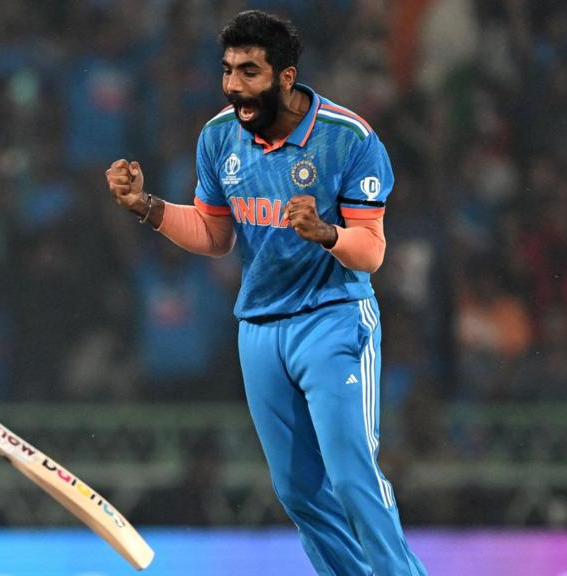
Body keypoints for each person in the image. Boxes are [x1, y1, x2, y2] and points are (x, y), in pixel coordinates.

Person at [105, 10, 427, 576]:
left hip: (334, 319)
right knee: (298, 493)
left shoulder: (347, 138)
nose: (233, 86)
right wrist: (148, 208)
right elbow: (213, 234)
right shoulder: (218, 136)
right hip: (259, 329)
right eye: (228, 70)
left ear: (285, 76)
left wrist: (326, 233)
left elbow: (372, 252)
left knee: (352, 478)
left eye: (249, 71)